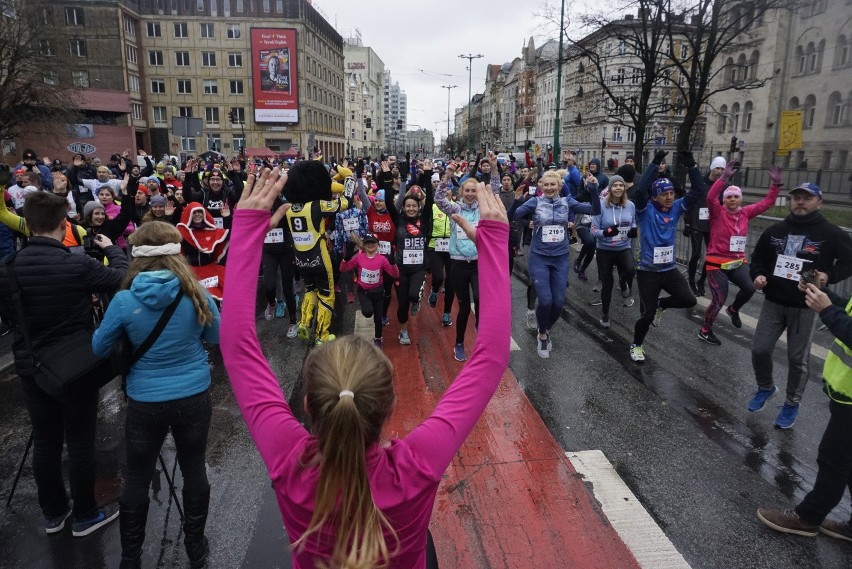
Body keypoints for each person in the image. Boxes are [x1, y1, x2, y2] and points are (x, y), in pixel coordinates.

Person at [220, 167, 510, 569]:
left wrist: (249, 227)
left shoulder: (292, 462)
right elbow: (492, 354)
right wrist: (494, 242)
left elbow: (236, 347)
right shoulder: (416, 467)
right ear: (389, 406)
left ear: (307, 404)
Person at [91, 222, 220, 569]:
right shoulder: (194, 291)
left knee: (137, 475)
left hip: (145, 400)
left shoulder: (124, 299)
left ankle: (131, 558)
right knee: (194, 468)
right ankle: (195, 546)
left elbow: (99, 346)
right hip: (193, 393)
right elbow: (217, 335)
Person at [0, 191, 126, 536]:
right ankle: (85, 516)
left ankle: (54, 514)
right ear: (62, 223)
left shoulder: (7, 268)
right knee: (80, 440)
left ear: (27, 224)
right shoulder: (75, 264)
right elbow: (120, 277)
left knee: (46, 440)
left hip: (31, 365)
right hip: (75, 364)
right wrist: (111, 249)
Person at [747, 182, 852, 428]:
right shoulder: (775, 230)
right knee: (759, 349)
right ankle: (765, 387)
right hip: (773, 301)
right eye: (796, 198)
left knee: (797, 359)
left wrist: (829, 276)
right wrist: (758, 275)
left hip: (806, 305)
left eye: (807, 198)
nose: (800, 202)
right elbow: (758, 258)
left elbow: (849, 261)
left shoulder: (831, 232)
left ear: (819, 202)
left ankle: (791, 403)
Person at [756, 282, 852, 543]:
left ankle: (807, 517)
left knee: (833, 460)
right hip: (846, 393)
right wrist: (824, 293)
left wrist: (827, 310)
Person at [512, 170, 600, 358]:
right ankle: (542, 335)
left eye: (554, 184)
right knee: (545, 300)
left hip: (560, 257)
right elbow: (513, 215)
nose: (550, 188)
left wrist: (593, 189)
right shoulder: (535, 202)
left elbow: (595, 210)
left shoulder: (568, 202)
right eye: (546, 185)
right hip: (539, 257)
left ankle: (545, 327)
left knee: (558, 303)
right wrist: (518, 200)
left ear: (560, 186)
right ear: (541, 187)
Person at [628, 150, 702, 363]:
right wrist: (654, 163)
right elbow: (640, 191)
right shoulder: (645, 209)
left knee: (689, 299)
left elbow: (698, 191)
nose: (670, 197)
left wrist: (692, 168)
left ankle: (663, 304)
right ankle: (637, 345)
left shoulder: (676, 208)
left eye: (671, 193)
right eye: (664, 194)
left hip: (668, 269)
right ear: (655, 196)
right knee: (647, 315)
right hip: (647, 271)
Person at [696, 162, 780, 346]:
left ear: (741, 199)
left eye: (736, 196)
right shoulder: (717, 212)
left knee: (751, 287)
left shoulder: (746, 213)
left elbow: (767, 203)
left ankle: (734, 309)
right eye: (729, 197)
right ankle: (705, 330)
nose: (733, 199)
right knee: (719, 299)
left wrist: (775, 186)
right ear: (724, 200)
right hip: (716, 261)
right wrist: (723, 178)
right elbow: (710, 197)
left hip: (737, 261)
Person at [435, 154, 501, 361]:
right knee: (464, 307)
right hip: (458, 264)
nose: (471, 194)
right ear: (461, 192)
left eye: (474, 191)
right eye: (467, 191)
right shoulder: (455, 208)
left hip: (479, 264)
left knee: (481, 301)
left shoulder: (484, 211)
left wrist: (494, 168)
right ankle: (459, 343)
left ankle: (480, 335)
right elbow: (438, 199)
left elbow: (496, 192)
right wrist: (446, 176)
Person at [283, 160, 350, 344]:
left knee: (310, 290)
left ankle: (304, 324)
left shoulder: (288, 208)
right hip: (319, 256)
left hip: (301, 258)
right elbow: (343, 204)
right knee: (327, 295)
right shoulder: (317, 205)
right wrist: (349, 179)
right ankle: (322, 334)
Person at [591, 174, 637, 329]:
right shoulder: (601, 206)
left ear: (624, 188)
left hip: (623, 247)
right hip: (605, 249)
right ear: (610, 188)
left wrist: (633, 231)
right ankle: (605, 314)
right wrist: (605, 233)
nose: (618, 188)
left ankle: (623, 284)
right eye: (615, 185)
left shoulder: (630, 205)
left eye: (621, 185)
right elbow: (594, 231)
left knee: (631, 270)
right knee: (607, 283)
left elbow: (633, 223)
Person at [339, 233, 400, 348]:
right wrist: (346, 258)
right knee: (367, 313)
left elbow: (394, 274)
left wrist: (393, 263)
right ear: (364, 245)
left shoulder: (382, 259)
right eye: (368, 243)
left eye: (373, 243)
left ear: (377, 245)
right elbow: (343, 269)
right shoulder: (359, 257)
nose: (370, 245)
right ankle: (368, 310)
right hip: (364, 292)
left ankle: (378, 338)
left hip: (378, 292)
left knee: (378, 318)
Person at [686, 156, 727, 296]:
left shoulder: (724, 186)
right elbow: (690, 201)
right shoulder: (701, 183)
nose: (719, 171)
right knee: (696, 254)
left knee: (710, 257)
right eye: (717, 168)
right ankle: (691, 280)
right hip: (697, 223)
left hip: (713, 227)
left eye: (722, 169)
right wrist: (687, 222)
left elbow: (726, 207)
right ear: (711, 168)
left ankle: (701, 281)